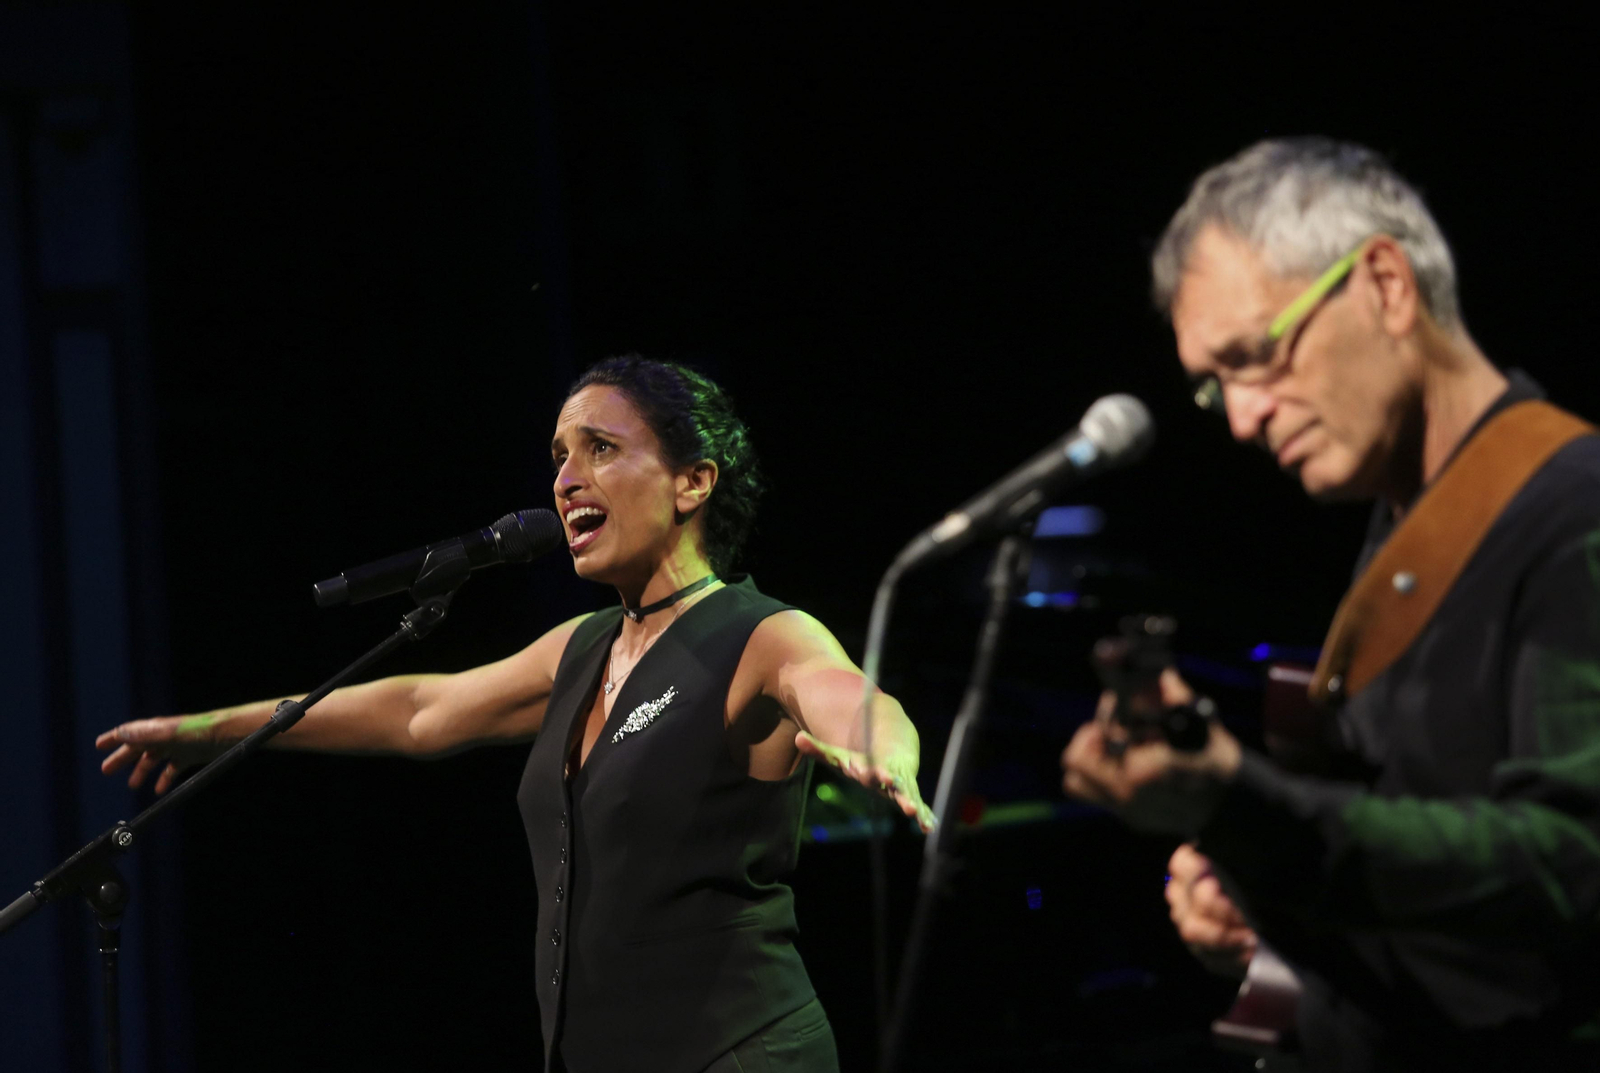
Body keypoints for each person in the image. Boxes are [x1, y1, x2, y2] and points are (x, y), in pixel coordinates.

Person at [98, 354, 934, 1073]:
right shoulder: (583, 647)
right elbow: (421, 709)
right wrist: (214, 730)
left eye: (602, 450)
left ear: (693, 480)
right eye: (561, 456)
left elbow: (847, 693)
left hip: (741, 1053)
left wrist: (882, 750)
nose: (568, 479)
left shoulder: (755, 632)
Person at [1062, 138, 1600, 1071]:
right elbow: (1426, 884)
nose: (1241, 417)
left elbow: (1573, 864)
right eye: (1213, 384)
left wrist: (1253, 812)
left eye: (1255, 357)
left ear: (1386, 285)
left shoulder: (1575, 512)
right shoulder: (1398, 531)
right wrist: (1262, 910)